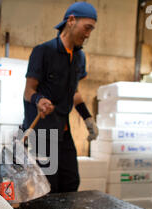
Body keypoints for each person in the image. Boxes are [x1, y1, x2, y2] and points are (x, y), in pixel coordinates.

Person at [23, 1, 99, 194]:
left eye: (92, 29)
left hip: (63, 129)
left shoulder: (79, 58)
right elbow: (28, 91)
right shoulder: (43, 51)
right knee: (48, 185)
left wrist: (88, 119)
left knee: (71, 181)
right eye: (87, 28)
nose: (88, 34)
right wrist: (39, 100)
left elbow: (73, 92)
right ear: (71, 20)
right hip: (42, 130)